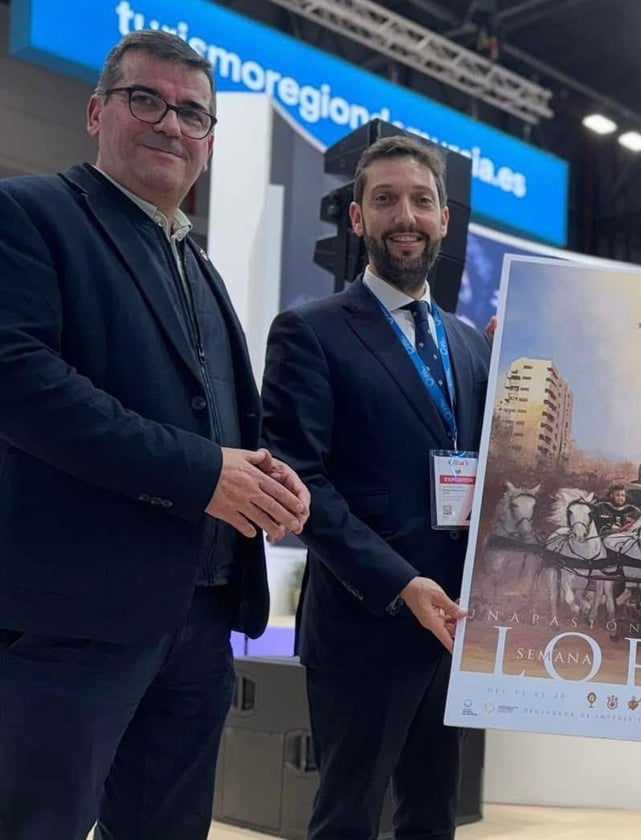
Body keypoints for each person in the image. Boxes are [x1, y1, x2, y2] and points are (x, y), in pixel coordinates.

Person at [0, 30, 310, 840]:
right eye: (148, 101)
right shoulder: (30, 215)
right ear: (97, 110)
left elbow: (209, 413)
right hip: (76, 618)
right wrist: (203, 471)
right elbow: (21, 382)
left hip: (199, 620)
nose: (171, 124)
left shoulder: (195, 262)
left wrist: (267, 476)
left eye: (192, 113)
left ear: (210, 140)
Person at [261, 134, 492, 840]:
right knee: (347, 816)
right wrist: (401, 583)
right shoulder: (311, 331)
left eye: (422, 201)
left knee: (434, 813)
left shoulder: (471, 343)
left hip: (459, 624)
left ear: (445, 219)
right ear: (357, 218)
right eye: (385, 199)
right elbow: (303, 482)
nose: (405, 216)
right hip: (367, 621)